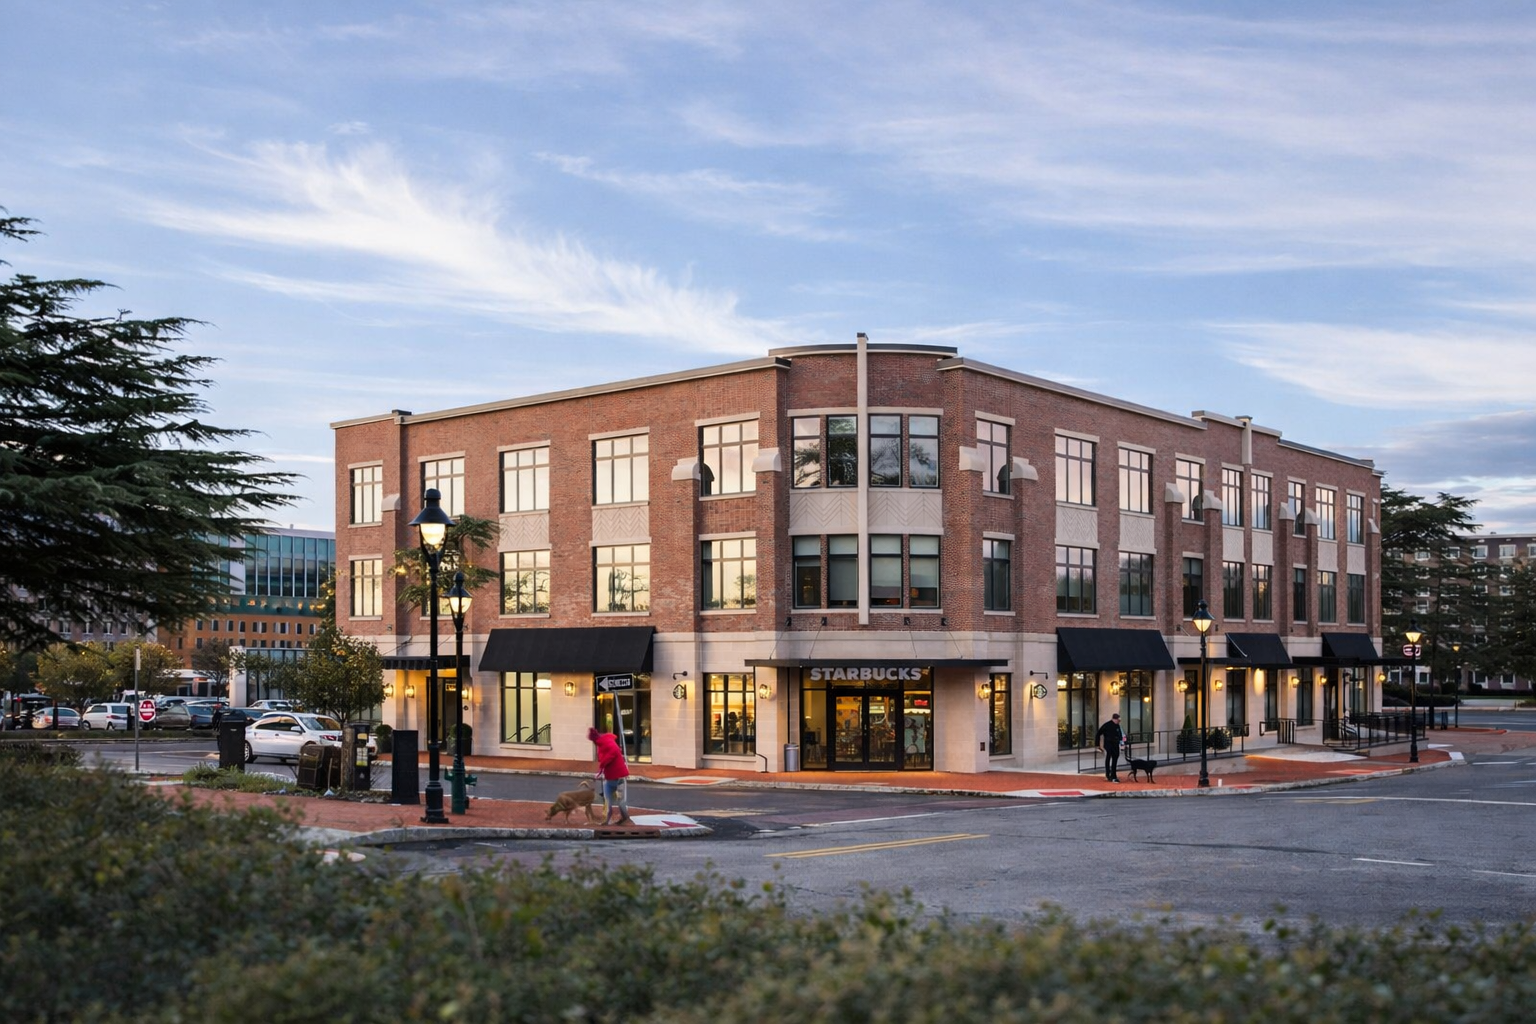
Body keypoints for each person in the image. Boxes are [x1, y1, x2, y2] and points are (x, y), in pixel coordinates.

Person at [589, 725, 633, 825]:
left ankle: (626, 819)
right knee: (608, 796)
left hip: (618, 776)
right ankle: (610, 817)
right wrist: (600, 771)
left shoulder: (606, 743)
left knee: (619, 800)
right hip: (612, 776)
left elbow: (613, 751)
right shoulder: (603, 743)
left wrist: (603, 763)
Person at [1096, 712, 1124, 783]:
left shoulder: (1117, 726)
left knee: (1115, 758)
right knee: (1109, 757)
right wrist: (1098, 745)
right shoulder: (1107, 725)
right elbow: (1098, 733)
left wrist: (1122, 743)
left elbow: (1120, 734)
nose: (1118, 721)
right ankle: (1109, 774)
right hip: (1108, 744)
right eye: (1117, 720)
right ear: (1114, 719)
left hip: (1115, 744)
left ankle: (1113, 775)